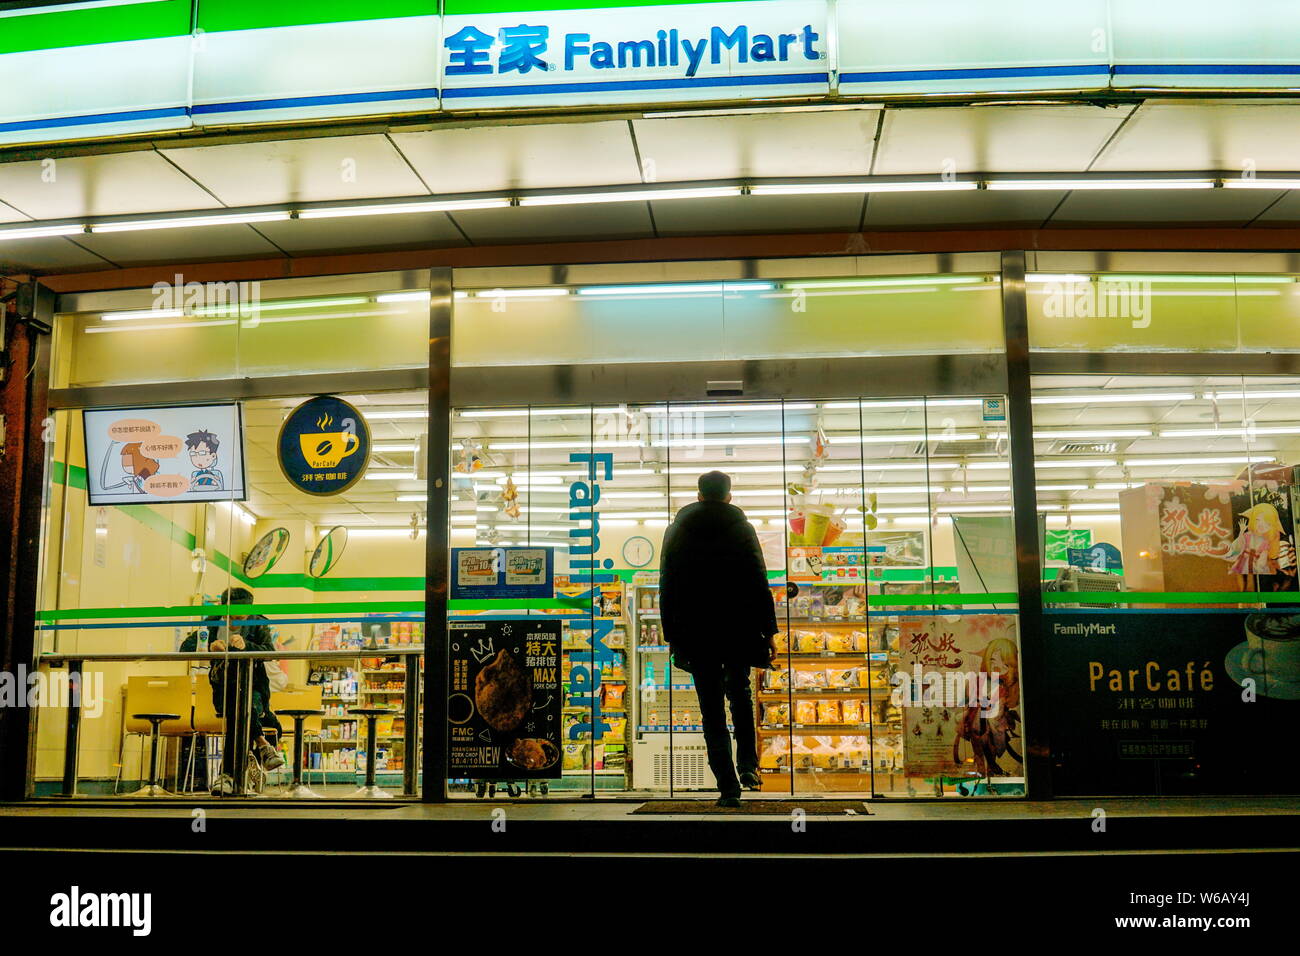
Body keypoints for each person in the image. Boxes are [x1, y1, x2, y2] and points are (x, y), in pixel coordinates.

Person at [660, 470, 778, 807]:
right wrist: (769, 631)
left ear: (698, 495)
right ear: (728, 496)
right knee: (740, 695)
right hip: (738, 629)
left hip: (696, 633)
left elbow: (666, 584)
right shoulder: (742, 528)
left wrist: (672, 634)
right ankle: (749, 767)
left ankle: (728, 787)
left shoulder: (677, 530)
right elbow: (759, 580)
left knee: (710, 709)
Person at [180, 586, 284, 793]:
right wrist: (209, 647)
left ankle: (227, 776)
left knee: (239, 712)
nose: (238, 618)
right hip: (223, 689)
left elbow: (269, 652)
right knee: (240, 710)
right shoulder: (211, 623)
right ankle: (262, 745)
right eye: (233, 613)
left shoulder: (259, 622)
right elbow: (185, 648)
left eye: (243, 613)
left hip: (254, 689)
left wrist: (247, 646)